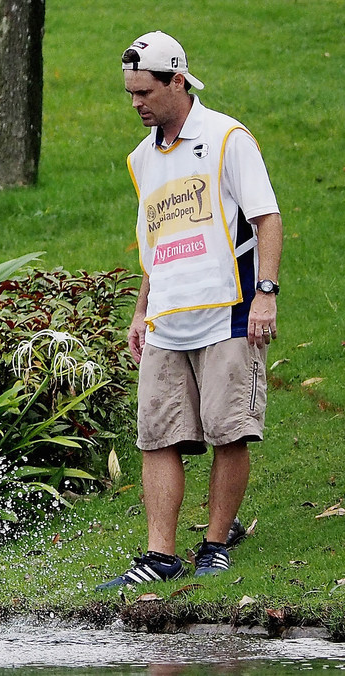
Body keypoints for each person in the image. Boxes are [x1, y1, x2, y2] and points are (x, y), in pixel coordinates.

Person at [98, 31, 283, 589]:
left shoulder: (228, 137)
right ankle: (159, 556)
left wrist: (265, 294)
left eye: (144, 92)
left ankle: (216, 543)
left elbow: (266, 220)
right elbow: (153, 244)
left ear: (177, 81)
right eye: (130, 94)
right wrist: (140, 312)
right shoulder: (141, 158)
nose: (136, 103)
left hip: (229, 311)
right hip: (166, 319)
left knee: (230, 431)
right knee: (156, 435)